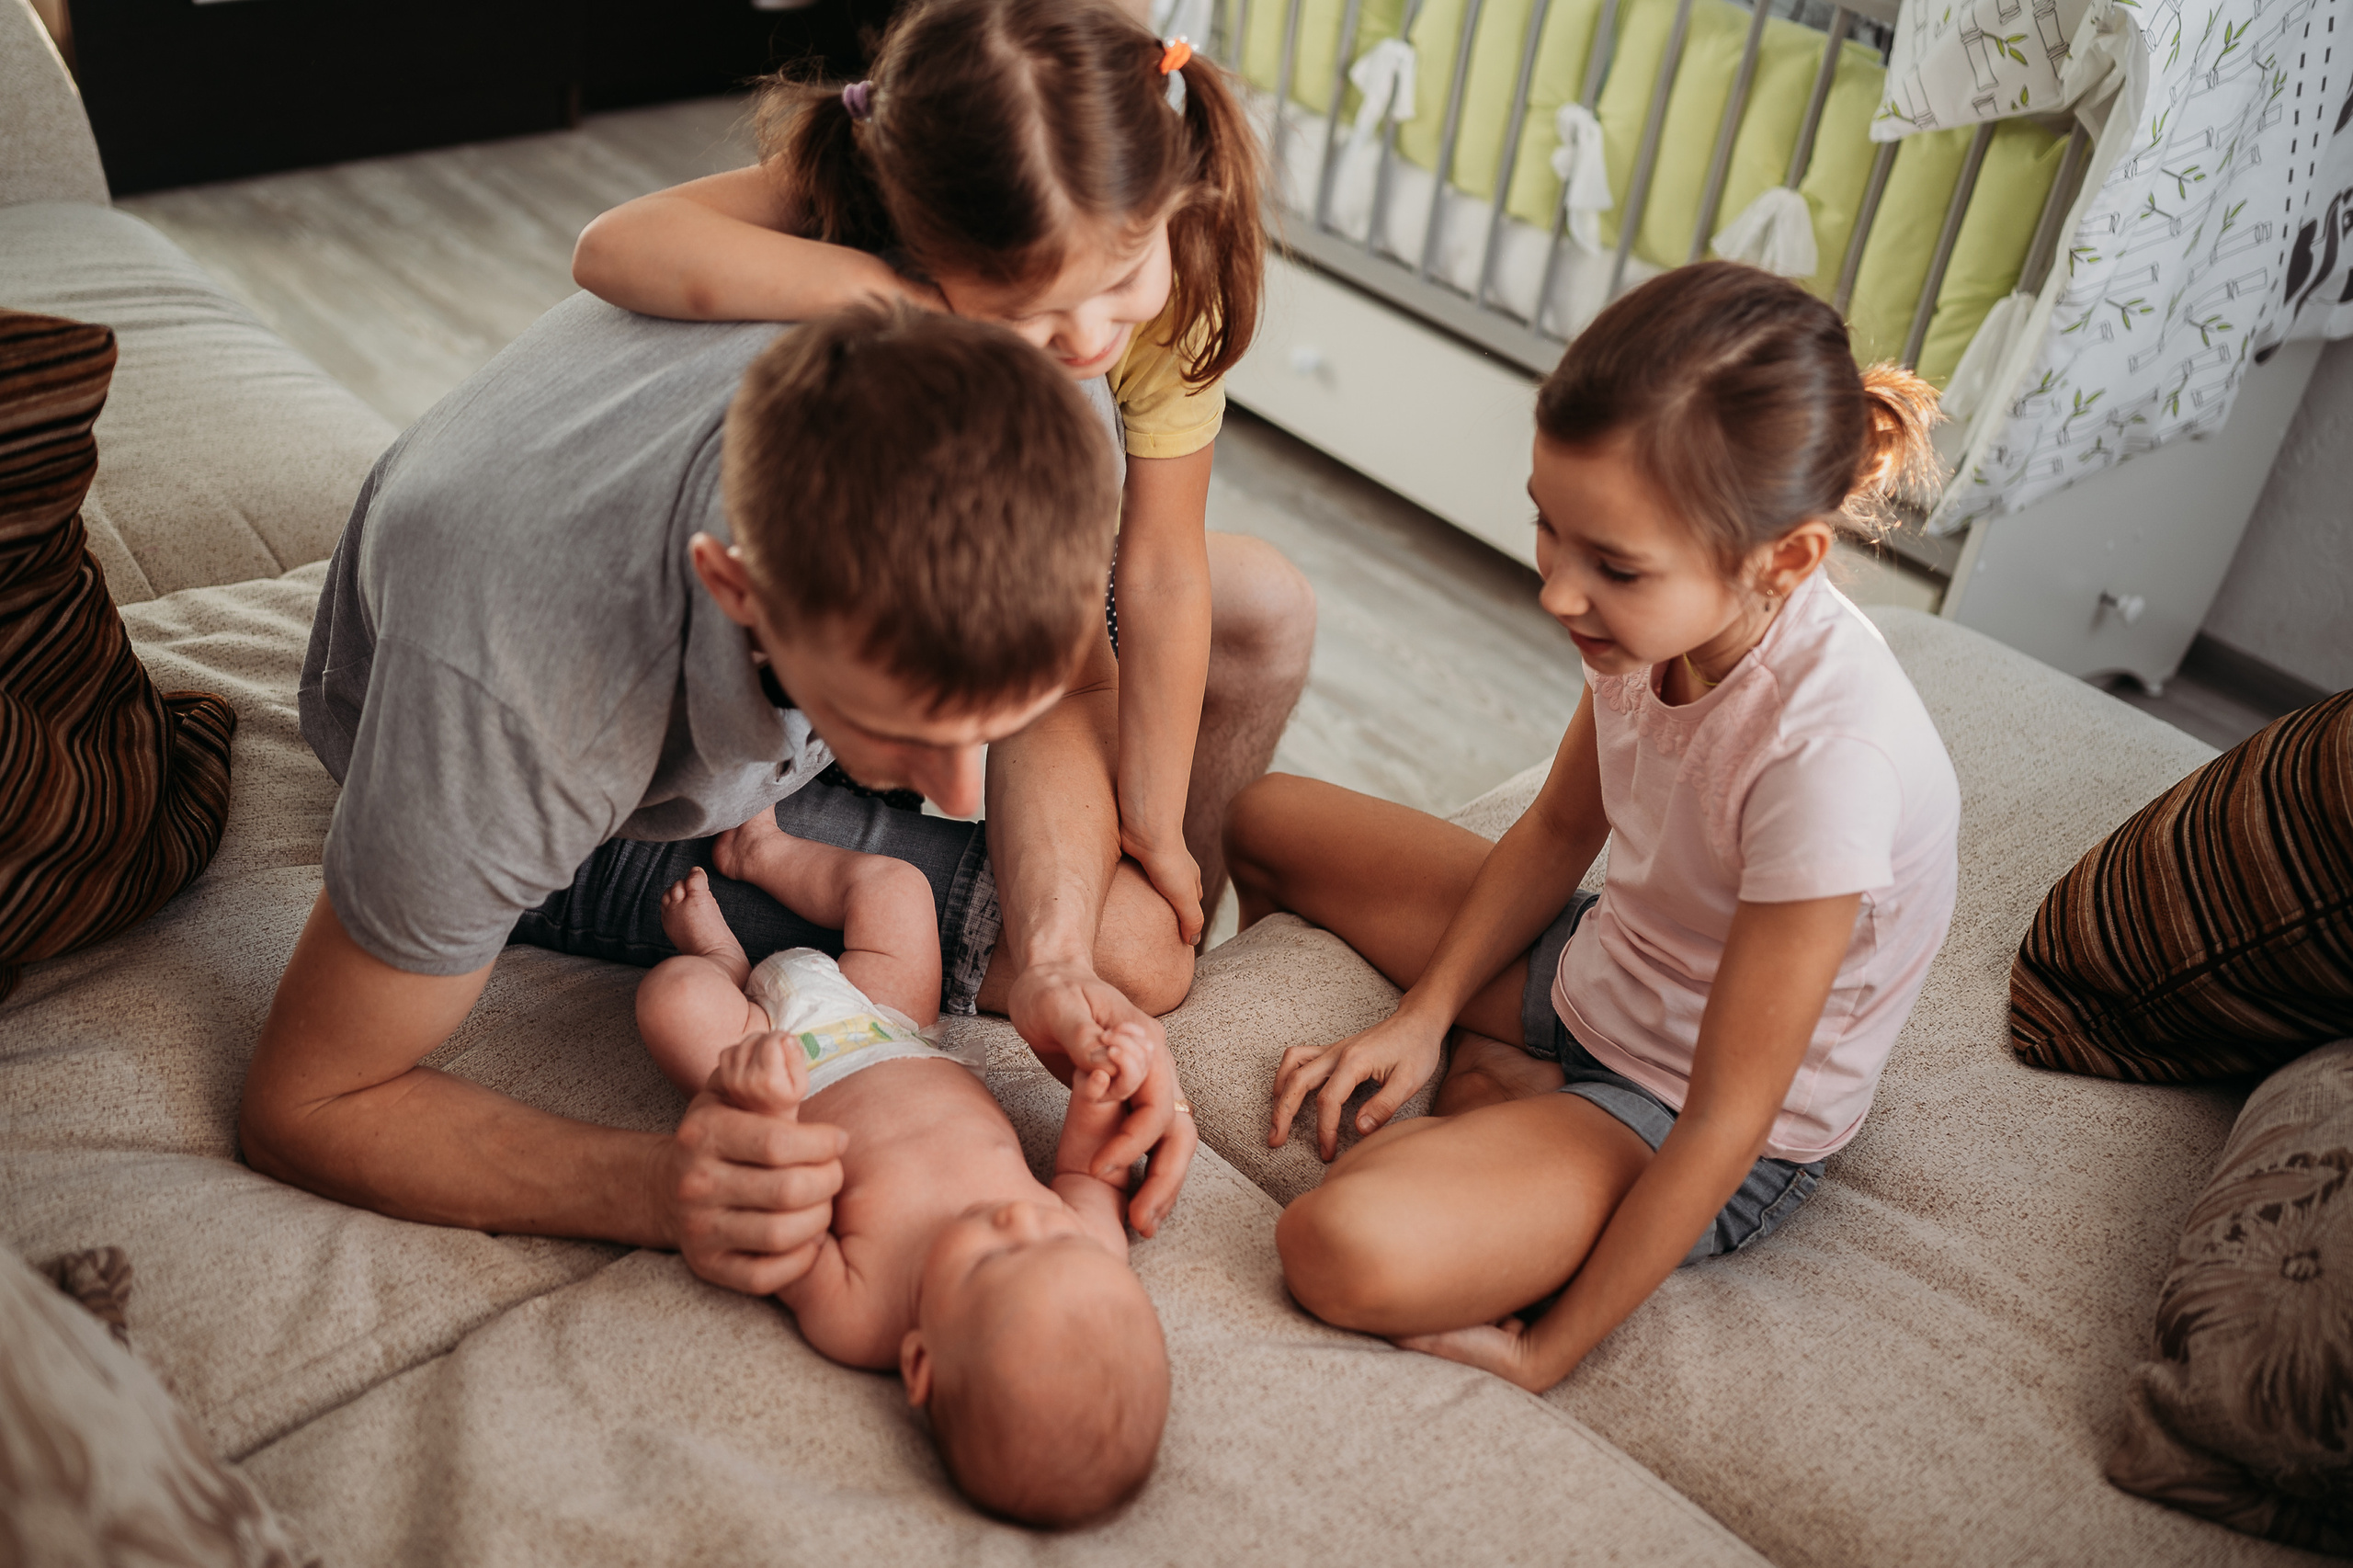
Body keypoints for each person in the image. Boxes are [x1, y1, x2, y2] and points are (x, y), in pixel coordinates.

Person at [243, 302, 1196, 1295]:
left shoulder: (1034, 386)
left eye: (990, 715)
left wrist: (1052, 957)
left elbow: (1078, 681)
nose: (965, 790)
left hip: (705, 662)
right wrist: (662, 1188)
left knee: (1123, 936)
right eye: (903, 724)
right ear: (738, 588)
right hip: (549, 758)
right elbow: (306, 1100)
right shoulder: (519, 706)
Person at [1223, 263, 1961, 1394]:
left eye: (1612, 565)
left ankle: (1525, 1135)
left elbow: (1726, 1113)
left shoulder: (1828, 761)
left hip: (1686, 1106)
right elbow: (1562, 822)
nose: (1558, 592)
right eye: (1546, 528)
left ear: (1786, 558)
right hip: (1602, 966)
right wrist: (1419, 1020)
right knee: (1264, 816)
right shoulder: (1655, 628)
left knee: (1336, 1245)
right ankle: (1493, 1094)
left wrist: (1541, 1353)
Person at [572, 0, 1297, 948]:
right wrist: (901, 302)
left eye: (1118, 281)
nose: (1085, 339)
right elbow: (611, 248)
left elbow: (1159, 568)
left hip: (996, 549)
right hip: (838, 610)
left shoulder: (1168, 276)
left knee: (1265, 607)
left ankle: (1164, 890)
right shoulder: (899, 197)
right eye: (1030, 306)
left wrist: (1151, 820)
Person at [650, 885, 1167, 1528]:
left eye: (992, 1260)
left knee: (674, 999)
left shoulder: (860, 1317)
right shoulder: (1095, 1247)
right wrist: (1099, 1090)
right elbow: (1087, 1172)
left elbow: (777, 1212)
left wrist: (765, 1105)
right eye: (1055, 1239)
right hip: (900, 1026)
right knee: (900, 896)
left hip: (792, 1059)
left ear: (919, 1361)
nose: (1020, 1219)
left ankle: (718, 958)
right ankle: (765, 855)